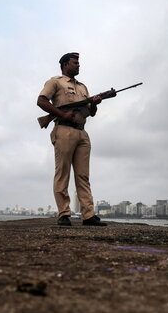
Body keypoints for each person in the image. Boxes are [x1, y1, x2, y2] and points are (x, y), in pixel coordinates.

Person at [37, 52, 107, 226]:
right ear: (65, 64)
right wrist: (61, 113)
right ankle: (64, 213)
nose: (78, 65)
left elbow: (90, 112)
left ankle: (88, 215)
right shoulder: (55, 82)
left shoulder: (83, 87)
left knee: (83, 176)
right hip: (64, 130)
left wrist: (95, 104)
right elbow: (41, 101)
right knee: (63, 173)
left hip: (82, 132)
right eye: (75, 62)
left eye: (79, 63)